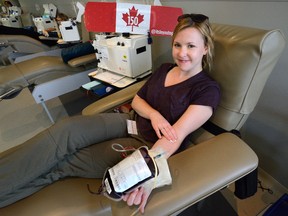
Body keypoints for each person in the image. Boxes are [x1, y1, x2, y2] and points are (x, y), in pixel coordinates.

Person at [0, 13, 220, 213]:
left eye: (191, 46)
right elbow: (138, 100)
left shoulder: (206, 90)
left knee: (65, 163)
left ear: (206, 48)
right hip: (130, 121)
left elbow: (174, 138)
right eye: (177, 45)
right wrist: (155, 115)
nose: (182, 53)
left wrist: (147, 173)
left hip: (145, 145)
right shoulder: (164, 69)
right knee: (65, 129)